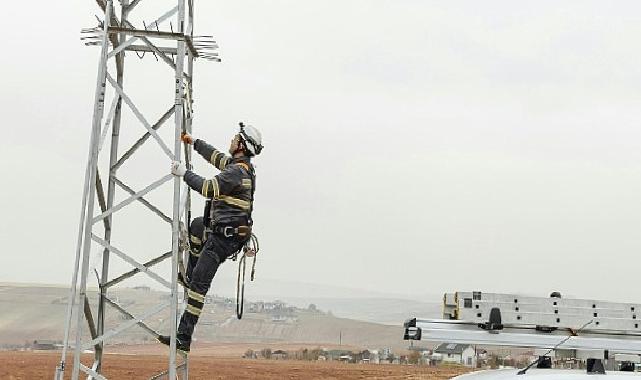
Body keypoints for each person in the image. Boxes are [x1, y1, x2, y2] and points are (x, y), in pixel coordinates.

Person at [158, 123, 263, 354]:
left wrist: (183, 173)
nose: (232, 139)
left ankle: (183, 339)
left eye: (236, 138)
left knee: (198, 289)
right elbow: (214, 156)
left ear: (242, 146)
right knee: (197, 225)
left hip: (223, 240)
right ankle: (190, 275)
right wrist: (193, 142)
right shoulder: (240, 167)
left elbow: (207, 188)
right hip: (224, 234)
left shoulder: (236, 172)